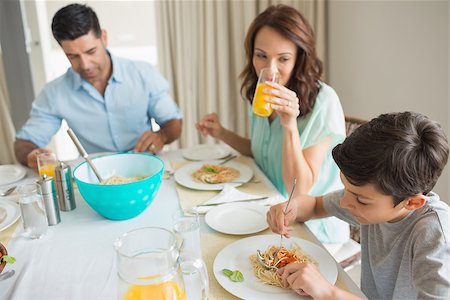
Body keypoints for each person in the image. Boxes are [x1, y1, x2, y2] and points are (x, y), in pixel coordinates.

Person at [196, 4, 348, 243]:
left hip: (310, 227)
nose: (270, 69)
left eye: (283, 58)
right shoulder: (260, 92)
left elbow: (298, 191)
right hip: (266, 206)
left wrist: (289, 126)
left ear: (299, 58)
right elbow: (261, 153)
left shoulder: (323, 102)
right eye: (261, 56)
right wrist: (221, 132)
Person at [267, 112, 450, 299]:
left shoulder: (434, 235)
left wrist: (328, 293)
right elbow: (315, 206)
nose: (345, 203)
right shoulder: (375, 197)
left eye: (360, 200)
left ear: (412, 202)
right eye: (345, 188)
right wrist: (290, 208)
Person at [14, 3, 182, 170]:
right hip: (94, 176)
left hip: (145, 167)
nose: (85, 65)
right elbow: (24, 143)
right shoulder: (55, 92)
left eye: (90, 51)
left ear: (104, 38)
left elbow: (173, 123)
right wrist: (31, 156)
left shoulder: (143, 74)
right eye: (73, 56)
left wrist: (162, 135)